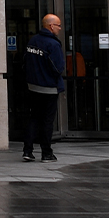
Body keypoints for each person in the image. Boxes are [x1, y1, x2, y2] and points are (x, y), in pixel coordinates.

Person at [21, 14, 65, 162]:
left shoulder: (33, 41)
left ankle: (27, 150)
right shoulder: (53, 44)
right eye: (58, 25)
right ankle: (46, 153)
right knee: (47, 121)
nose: (60, 28)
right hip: (48, 88)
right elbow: (58, 68)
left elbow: (25, 62)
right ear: (51, 26)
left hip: (33, 86)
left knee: (33, 118)